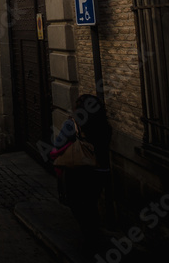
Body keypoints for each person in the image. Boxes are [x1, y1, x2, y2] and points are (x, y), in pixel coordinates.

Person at [50, 94, 112, 250]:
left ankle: (90, 238)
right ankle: (94, 235)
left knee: (77, 204)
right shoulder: (105, 126)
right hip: (101, 170)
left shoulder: (73, 124)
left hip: (79, 171)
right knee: (91, 203)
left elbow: (59, 143)